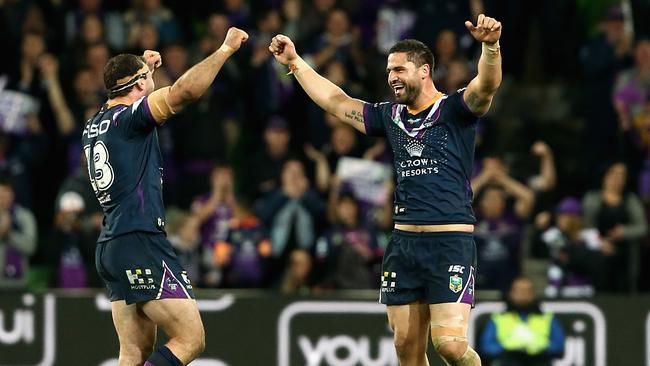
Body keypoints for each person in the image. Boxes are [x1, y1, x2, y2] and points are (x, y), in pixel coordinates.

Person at [270, 13, 503, 366]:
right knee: (407, 351)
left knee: (451, 346)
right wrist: (296, 63)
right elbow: (336, 101)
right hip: (403, 244)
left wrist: (491, 46)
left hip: (449, 242)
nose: (392, 77)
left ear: (424, 71)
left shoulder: (454, 109)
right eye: (389, 71)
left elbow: (485, 86)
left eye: (400, 69)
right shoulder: (390, 116)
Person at [81, 27, 248, 366]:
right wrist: (225, 50)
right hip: (140, 240)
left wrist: (144, 68)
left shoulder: (95, 122)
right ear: (139, 86)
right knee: (190, 339)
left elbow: (124, 95)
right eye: (146, 79)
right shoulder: (132, 119)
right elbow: (184, 92)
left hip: (112, 243)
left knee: (133, 352)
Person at [479, 277, 565, 366]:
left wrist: (540, 345)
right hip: (507, 361)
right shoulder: (498, 318)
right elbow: (486, 348)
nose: (523, 294)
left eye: (527, 291)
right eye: (519, 291)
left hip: (539, 360)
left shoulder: (547, 317)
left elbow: (559, 347)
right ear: (511, 293)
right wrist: (507, 346)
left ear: (533, 294)